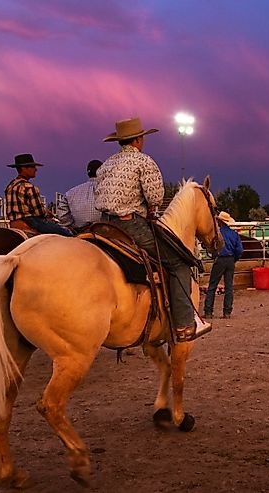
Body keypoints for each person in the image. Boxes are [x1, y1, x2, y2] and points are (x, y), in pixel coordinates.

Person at [95, 117, 210, 343]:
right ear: (138, 140)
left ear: (120, 141)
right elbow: (155, 197)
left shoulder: (105, 165)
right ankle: (185, 324)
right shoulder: (144, 162)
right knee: (179, 262)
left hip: (103, 225)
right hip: (129, 224)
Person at [4, 153, 73, 236]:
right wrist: (48, 213)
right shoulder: (30, 187)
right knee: (66, 233)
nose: (35, 169)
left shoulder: (10, 186)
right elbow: (39, 212)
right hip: (30, 222)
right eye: (32, 167)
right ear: (24, 168)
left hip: (14, 223)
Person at [203, 211, 243, 319]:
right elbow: (239, 250)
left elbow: (209, 246)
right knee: (229, 286)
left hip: (220, 259)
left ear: (219, 221)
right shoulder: (234, 234)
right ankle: (227, 312)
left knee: (212, 285)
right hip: (230, 260)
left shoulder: (217, 234)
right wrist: (234, 259)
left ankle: (208, 311)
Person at [56, 159, 102, 232]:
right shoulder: (108, 190)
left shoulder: (70, 193)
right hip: (103, 231)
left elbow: (63, 217)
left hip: (80, 232)